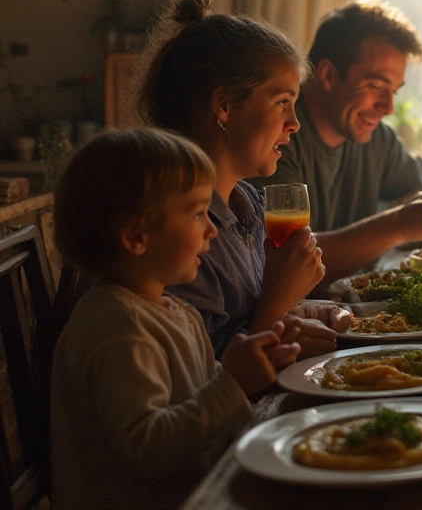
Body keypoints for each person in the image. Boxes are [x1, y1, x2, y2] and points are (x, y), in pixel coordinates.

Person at [49, 128, 300, 509]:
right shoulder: (117, 327)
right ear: (135, 236)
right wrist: (233, 382)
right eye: (198, 213)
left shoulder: (174, 310)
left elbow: (201, 404)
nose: (213, 229)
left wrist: (256, 361)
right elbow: (149, 450)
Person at [137, 0, 347, 357]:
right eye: (282, 102)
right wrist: (280, 299)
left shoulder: (247, 203)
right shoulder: (178, 230)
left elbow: (247, 320)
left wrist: (305, 311)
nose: (295, 123)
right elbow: (204, 375)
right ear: (224, 107)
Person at [255, 0, 422, 276]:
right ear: (327, 75)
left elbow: (412, 200)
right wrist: (398, 225)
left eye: (394, 91)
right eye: (375, 86)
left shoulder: (379, 140)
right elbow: (286, 259)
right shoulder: (276, 140)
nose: (388, 108)